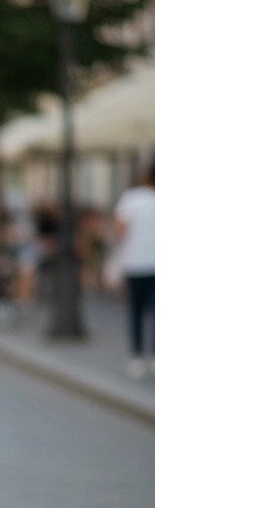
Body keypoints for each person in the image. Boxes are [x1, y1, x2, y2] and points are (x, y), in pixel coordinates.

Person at [112, 161, 155, 378]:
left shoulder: (132, 199)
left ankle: (137, 358)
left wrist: (116, 258)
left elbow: (120, 231)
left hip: (136, 263)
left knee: (136, 312)